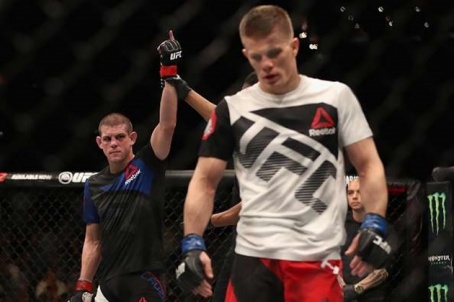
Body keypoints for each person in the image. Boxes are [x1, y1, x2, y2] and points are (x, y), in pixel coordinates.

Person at [175, 5, 392, 302]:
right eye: (256, 56)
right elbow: (204, 181)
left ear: (293, 47)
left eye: (274, 53)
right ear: (246, 56)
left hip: (315, 257)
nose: (266, 64)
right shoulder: (233, 109)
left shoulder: (334, 97)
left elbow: (368, 165)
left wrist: (374, 222)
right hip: (253, 258)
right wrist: (192, 243)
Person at [68, 30, 181, 302]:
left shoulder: (147, 164)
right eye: (107, 139)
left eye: (120, 137)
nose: (114, 143)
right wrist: (83, 285)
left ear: (132, 139)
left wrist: (169, 71)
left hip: (146, 278)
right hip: (107, 283)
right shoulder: (94, 185)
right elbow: (93, 240)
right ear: (99, 143)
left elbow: (167, 124)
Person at [173, 72, 258, 302]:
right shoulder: (248, 133)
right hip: (242, 244)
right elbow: (218, 117)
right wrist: (183, 88)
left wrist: (208, 221)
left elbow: (252, 205)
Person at [342, 177, 390, 302]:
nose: (354, 196)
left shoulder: (381, 228)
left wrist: (356, 289)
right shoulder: (339, 225)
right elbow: (330, 261)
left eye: (360, 192)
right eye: (350, 192)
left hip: (372, 295)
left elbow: (384, 271)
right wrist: (343, 289)